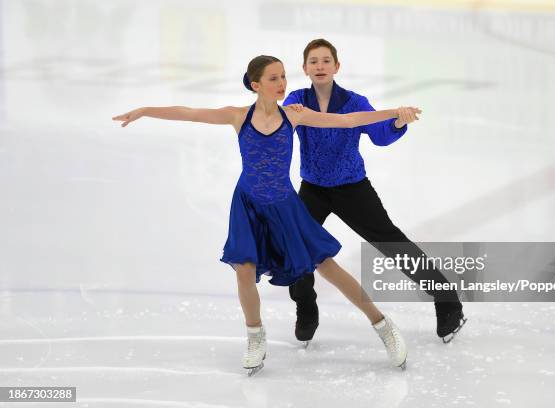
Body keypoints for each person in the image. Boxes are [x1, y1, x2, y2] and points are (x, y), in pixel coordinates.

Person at [112, 55, 416, 375]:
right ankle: (255, 336)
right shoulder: (238, 116)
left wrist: (395, 113)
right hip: (248, 204)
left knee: (326, 266)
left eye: (283, 76)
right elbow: (189, 114)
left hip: (285, 205)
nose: (282, 83)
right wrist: (145, 110)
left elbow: (348, 120)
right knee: (243, 269)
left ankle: (384, 326)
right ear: (256, 85)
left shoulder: (295, 116)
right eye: (273, 78)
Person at [283, 38, 466, 344]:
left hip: (352, 188)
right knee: (296, 247)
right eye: (313, 61)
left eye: (326, 60)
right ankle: (306, 306)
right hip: (313, 188)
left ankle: (447, 300)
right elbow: (279, 130)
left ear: (337, 66)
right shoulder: (297, 100)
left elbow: (380, 136)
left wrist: (396, 121)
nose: (320, 66)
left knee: (391, 242)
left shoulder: (355, 102)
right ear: (304, 68)